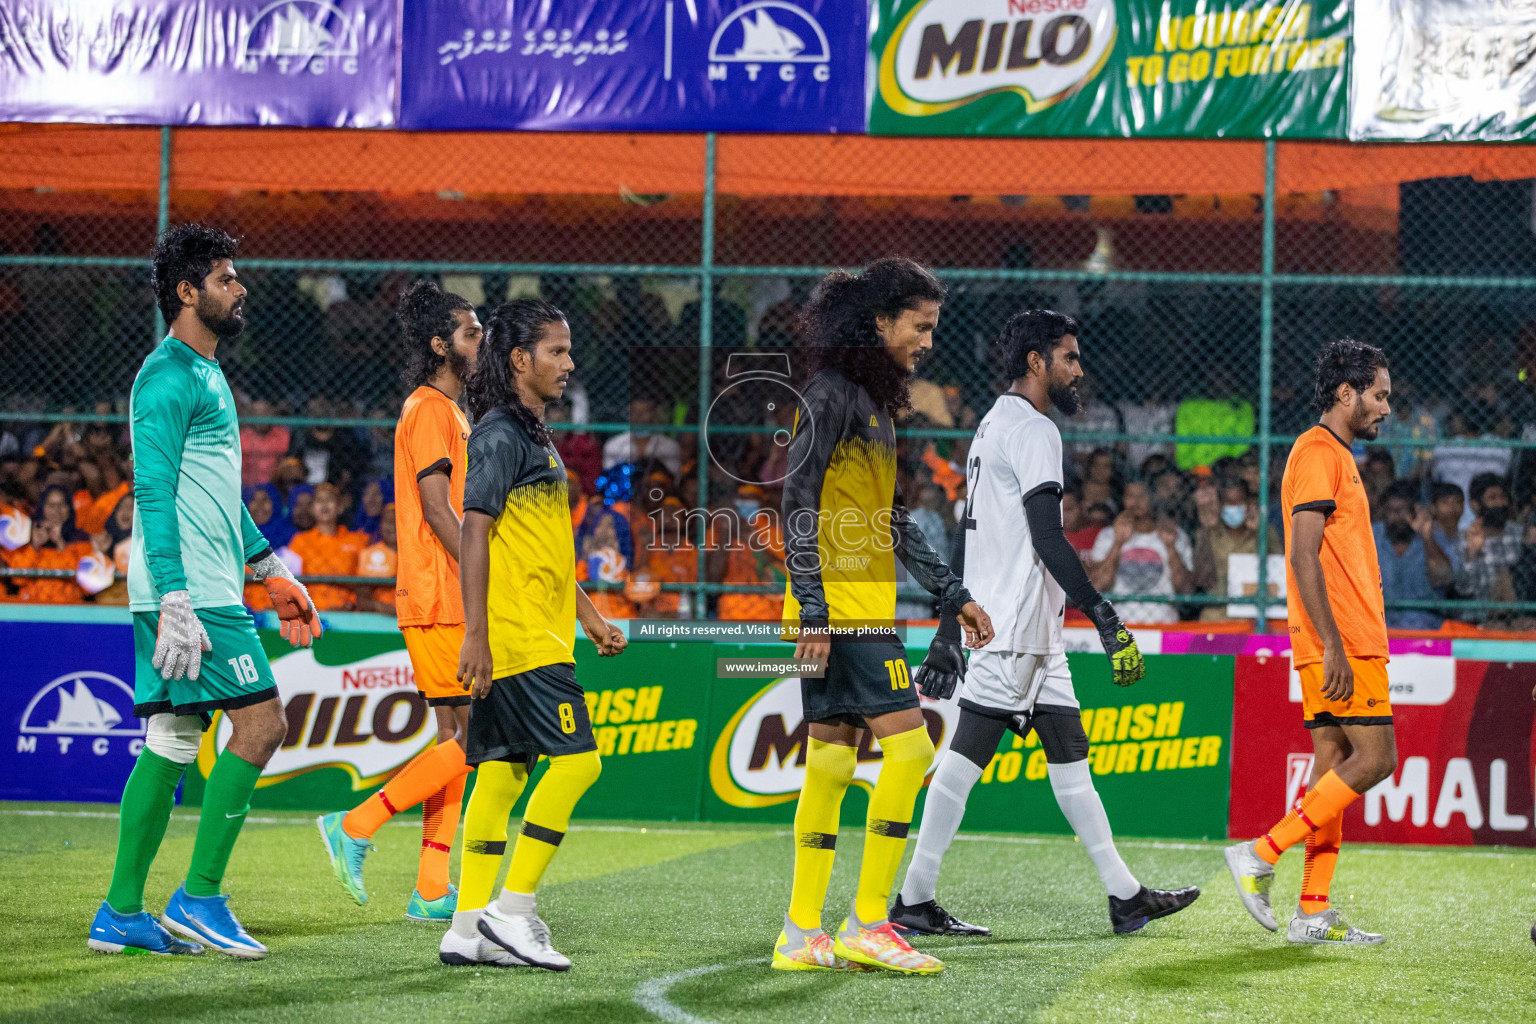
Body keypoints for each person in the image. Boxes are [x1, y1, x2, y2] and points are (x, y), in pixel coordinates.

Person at [893, 310, 1197, 939]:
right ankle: (913, 898)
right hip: (1016, 632)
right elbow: (1048, 538)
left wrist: (950, 630)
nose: (1078, 368)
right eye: (1069, 356)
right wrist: (1105, 613)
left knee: (1068, 761)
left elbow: (967, 540)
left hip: (1024, 631)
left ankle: (1125, 896)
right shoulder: (1034, 430)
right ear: (1037, 361)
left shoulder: (989, 425)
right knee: (964, 764)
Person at [90, 224, 320, 959]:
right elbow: (151, 495)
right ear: (187, 292)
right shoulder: (166, 378)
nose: (240, 286)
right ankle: (201, 896)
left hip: (207, 582)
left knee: (174, 736)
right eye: (225, 277)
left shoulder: (207, 373)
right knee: (261, 725)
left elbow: (218, 497)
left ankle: (122, 912)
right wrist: (179, 599)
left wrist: (270, 569)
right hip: (187, 590)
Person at [774, 258, 993, 976]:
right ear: (880, 322)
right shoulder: (831, 395)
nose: (929, 340)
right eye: (920, 326)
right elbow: (795, 499)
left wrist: (949, 592)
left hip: (847, 605)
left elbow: (891, 518)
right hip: (838, 608)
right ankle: (869, 921)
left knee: (831, 765)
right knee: (910, 751)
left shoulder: (871, 402)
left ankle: (800, 933)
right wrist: (813, 607)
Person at [442, 298, 627, 972]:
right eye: (557, 350)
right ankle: (511, 910)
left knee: (500, 774)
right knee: (579, 763)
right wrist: (477, 635)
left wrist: (591, 617)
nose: (569, 362)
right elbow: (475, 530)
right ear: (520, 359)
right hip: (520, 638)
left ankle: (465, 929)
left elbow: (541, 547)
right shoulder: (498, 434)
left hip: (545, 629)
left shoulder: (531, 434)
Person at [316, 281, 484, 921]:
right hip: (443, 594)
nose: (481, 341)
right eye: (471, 332)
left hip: (442, 593)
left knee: (456, 740)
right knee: (474, 740)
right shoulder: (429, 410)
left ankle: (432, 889)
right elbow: (439, 511)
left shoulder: (449, 409)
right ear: (441, 344)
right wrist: (479, 578)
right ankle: (355, 824)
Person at [1225, 338, 1397, 947]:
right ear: (1346, 393)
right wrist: (1331, 643)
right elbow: (1300, 555)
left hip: (1337, 637)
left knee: (1332, 766)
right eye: (1379, 395)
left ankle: (1312, 911)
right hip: (1342, 639)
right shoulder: (1318, 451)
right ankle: (1259, 852)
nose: (1385, 407)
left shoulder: (1332, 453)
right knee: (1377, 760)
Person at [1086, 480, 1193, 624]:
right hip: (1119, 624)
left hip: (1164, 623)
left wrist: (1170, 547)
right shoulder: (1108, 535)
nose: (1136, 501)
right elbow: (1098, 586)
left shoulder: (1174, 534)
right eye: (1130, 496)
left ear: (1154, 498)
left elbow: (1186, 590)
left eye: (1142, 496)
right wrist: (1117, 543)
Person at [1191, 479, 1282, 622]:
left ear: (1249, 504)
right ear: (1220, 506)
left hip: (1255, 612)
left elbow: (1279, 573)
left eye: (1239, 503)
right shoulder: (1208, 533)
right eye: (1228, 503)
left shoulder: (1266, 531)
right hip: (1218, 612)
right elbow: (1202, 578)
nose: (1233, 508)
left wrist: (1257, 534)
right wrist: (1208, 530)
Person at [1375, 481, 1452, 630]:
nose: (1397, 516)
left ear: (1416, 510)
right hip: (1378, 632)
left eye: (1402, 510)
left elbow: (1443, 577)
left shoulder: (1435, 537)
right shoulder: (1371, 535)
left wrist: (1427, 536)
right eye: (1391, 510)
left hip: (1426, 631)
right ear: (1383, 511)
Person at [1454, 473, 1524, 624]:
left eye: (1503, 497)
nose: (1500, 503)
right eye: (1492, 498)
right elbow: (1462, 589)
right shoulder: (1461, 540)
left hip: (1516, 619)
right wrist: (1472, 556)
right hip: (1475, 620)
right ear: (1475, 505)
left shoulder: (1521, 536)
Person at [6, 484, 93, 603]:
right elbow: (18, 579)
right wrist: (34, 547)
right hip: (31, 609)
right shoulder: (27, 537)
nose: (57, 510)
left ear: (69, 508)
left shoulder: (82, 539)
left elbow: (87, 586)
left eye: (62, 505)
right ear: (42, 508)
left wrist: (62, 546)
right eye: (51, 505)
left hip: (70, 610)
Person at [287, 483, 367, 611]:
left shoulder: (357, 541)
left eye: (329, 500)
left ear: (340, 507)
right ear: (312, 508)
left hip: (347, 612)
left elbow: (363, 583)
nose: (324, 505)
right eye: (319, 500)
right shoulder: (300, 541)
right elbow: (291, 582)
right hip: (309, 611)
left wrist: (350, 605)